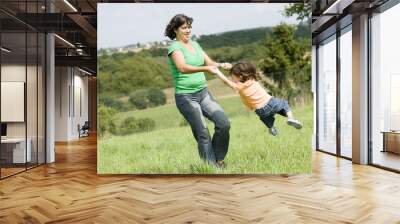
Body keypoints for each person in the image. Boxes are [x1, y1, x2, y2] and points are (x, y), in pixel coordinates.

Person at [165, 14, 232, 168]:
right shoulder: (174, 48)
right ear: (176, 30)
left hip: (203, 93)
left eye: (189, 27)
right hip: (186, 97)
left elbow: (209, 62)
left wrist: (220, 64)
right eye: (184, 27)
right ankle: (212, 167)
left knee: (224, 123)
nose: (188, 30)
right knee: (203, 133)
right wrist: (206, 68)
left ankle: (218, 159)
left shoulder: (195, 44)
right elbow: (182, 67)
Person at [211, 62, 303, 136]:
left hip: (260, 110)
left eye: (232, 76)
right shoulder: (252, 79)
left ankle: (272, 128)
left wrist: (218, 72)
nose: (231, 78)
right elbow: (239, 74)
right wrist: (231, 68)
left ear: (240, 76)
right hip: (270, 102)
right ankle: (291, 118)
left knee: (268, 120)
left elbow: (226, 82)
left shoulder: (239, 87)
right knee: (284, 104)